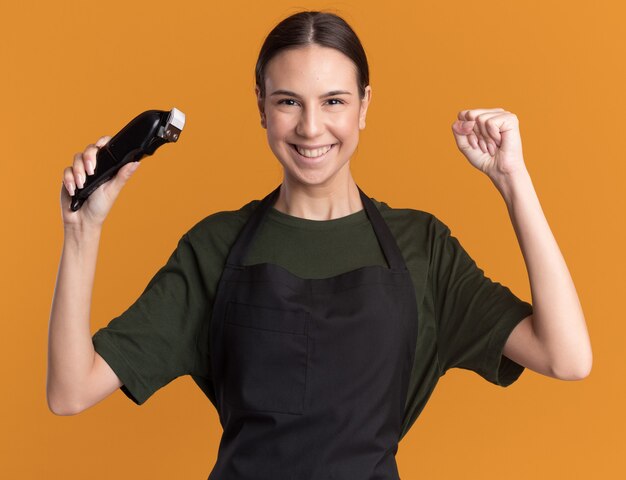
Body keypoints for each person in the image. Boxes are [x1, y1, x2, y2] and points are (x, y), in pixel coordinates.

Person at [47, 9, 592, 479]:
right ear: (260, 106)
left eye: (333, 100)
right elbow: (70, 391)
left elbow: (565, 356)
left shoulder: (421, 247)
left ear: (364, 105)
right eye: (288, 101)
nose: (311, 128)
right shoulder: (215, 246)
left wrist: (513, 180)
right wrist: (82, 231)